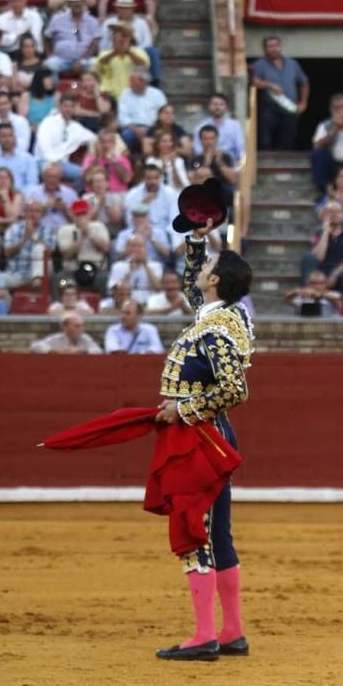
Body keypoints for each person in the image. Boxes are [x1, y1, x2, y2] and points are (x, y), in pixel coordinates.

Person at [152, 219, 253, 662]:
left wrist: (182, 409)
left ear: (215, 281)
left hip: (200, 435)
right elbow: (198, 289)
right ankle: (231, 632)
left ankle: (203, 636)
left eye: (206, 264)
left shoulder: (215, 329)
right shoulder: (223, 315)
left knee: (197, 533)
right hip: (213, 433)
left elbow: (235, 390)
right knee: (220, 536)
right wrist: (198, 240)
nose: (200, 269)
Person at [251, 35, 307, 151]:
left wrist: (303, 102)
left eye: (276, 45)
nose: (273, 48)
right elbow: (253, 82)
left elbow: (304, 83)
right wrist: (269, 85)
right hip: (269, 109)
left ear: (280, 47)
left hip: (290, 107)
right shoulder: (259, 65)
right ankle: (266, 161)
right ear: (265, 49)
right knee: (265, 138)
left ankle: (285, 161)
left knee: (288, 137)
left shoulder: (292, 64)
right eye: (270, 46)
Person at [300, 199, 343, 301]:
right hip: (322, 269)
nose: (334, 215)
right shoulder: (318, 234)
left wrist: (335, 274)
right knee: (308, 257)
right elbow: (318, 257)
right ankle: (307, 300)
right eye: (330, 212)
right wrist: (325, 232)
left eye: (337, 212)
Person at [42, 0, 100, 74]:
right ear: (68, 4)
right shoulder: (57, 19)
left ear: (84, 3)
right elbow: (47, 37)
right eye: (74, 2)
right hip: (61, 59)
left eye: (80, 1)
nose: (77, 4)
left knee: (96, 64)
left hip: (85, 60)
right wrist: (50, 54)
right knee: (49, 64)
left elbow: (95, 43)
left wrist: (83, 60)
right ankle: (53, 88)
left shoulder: (92, 21)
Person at [1, 199, 55, 289]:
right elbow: (7, 252)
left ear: (42, 214)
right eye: (30, 210)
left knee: (39, 248)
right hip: (14, 274)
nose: (33, 214)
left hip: (39, 274)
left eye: (37, 211)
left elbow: (49, 252)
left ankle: (37, 280)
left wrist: (33, 236)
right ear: (25, 213)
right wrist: (24, 240)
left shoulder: (48, 229)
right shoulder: (14, 228)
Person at [193, 94, 244, 162]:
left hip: (230, 164)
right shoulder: (200, 126)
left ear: (226, 107)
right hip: (207, 162)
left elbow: (241, 149)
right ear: (209, 107)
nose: (217, 107)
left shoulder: (235, 125)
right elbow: (197, 149)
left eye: (221, 104)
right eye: (215, 104)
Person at [30, 310, 103, 353]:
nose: (81, 329)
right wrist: (55, 351)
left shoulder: (85, 338)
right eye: (76, 326)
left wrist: (81, 351)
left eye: (81, 326)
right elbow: (35, 346)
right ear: (65, 327)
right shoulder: (56, 338)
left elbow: (98, 351)